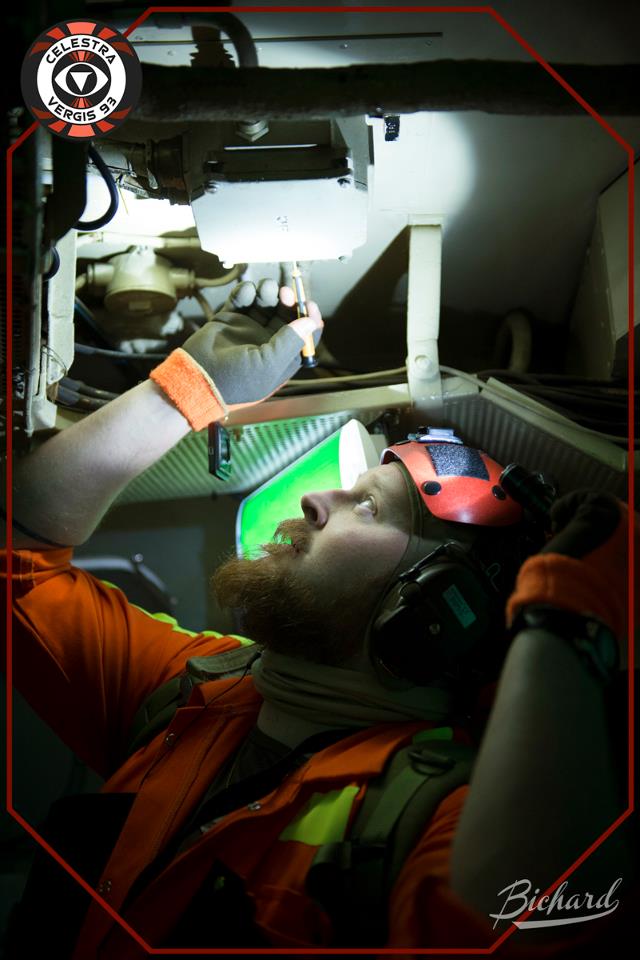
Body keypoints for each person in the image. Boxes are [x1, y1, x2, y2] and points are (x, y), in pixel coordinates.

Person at [1, 281, 636, 958]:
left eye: (369, 507)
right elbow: (17, 555)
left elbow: (526, 929)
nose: (312, 499)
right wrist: (187, 390)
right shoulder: (194, 686)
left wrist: (566, 616)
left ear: (440, 605)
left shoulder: (433, 815)